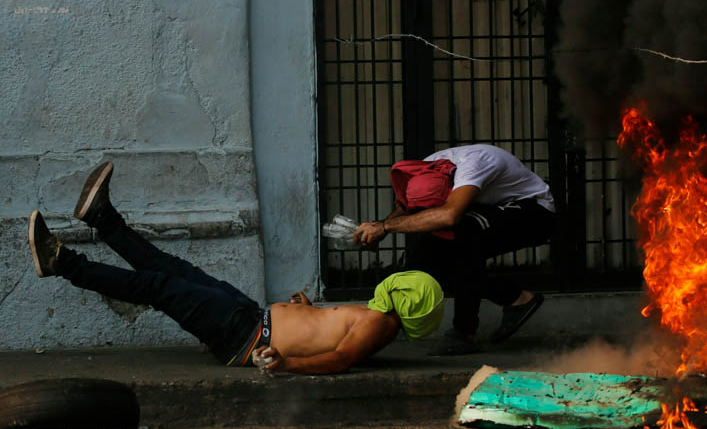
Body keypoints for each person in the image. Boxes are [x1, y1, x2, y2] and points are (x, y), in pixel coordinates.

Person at [28, 162, 444, 374]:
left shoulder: (381, 325)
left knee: (157, 285)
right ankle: (103, 219)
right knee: (168, 267)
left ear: (408, 298)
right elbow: (322, 335)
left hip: (243, 335)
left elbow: (338, 359)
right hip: (249, 316)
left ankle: (63, 262)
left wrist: (285, 366)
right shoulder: (375, 317)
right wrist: (306, 310)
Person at [353, 144, 556, 355]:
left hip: (535, 212)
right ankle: (515, 298)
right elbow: (407, 208)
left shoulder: (473, 166)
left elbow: (449, 215)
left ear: (450, 191)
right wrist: (379, 228)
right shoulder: (427, 167)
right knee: (428, 253)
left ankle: (465, 332)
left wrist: (387, 227)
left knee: (462, 233)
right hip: (489, 208)